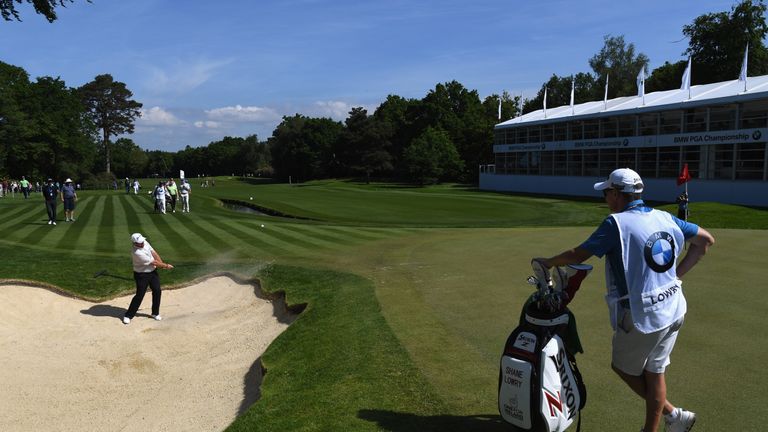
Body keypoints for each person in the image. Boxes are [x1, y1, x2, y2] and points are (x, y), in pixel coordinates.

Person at [532, 168, 715, 432]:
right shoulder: (665, 217)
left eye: (607, 193)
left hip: (643, 316)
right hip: (674, 308)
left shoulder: (615, 224)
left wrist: (548, 262)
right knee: (655, 371)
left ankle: (672, 416)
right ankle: (674, 419)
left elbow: (578, 254)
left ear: (617, 194)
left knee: (624, 369)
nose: (606, 198)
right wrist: (676, 275)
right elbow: (706, 241)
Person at [123, 233, 174, 324]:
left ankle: (155, 313)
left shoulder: (144, 242)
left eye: (142, 241)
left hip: (152, 273)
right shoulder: (137, 253)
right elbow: (153, 262)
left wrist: (161, 264)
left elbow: (154, 253)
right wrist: (166, 266)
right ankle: (128, 315)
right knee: (140, 295)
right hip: (142, 275)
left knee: (157, 290)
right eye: (140, 242)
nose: (142, 243)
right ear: (135, 243)